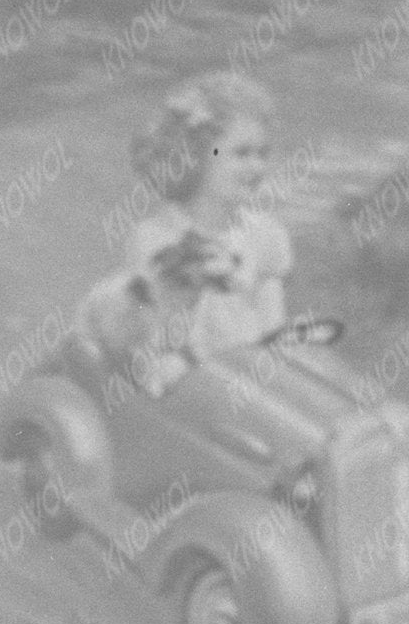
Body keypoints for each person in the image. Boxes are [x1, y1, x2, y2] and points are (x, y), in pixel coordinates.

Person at [78, 68, 306, 390]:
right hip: (183, 375)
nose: (256, 167)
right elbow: (153, 329)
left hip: (247, 371)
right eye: (241, 154)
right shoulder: (157, 236)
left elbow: (272, 327)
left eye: (262, 154)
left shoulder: (267, 234)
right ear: (196, 157)